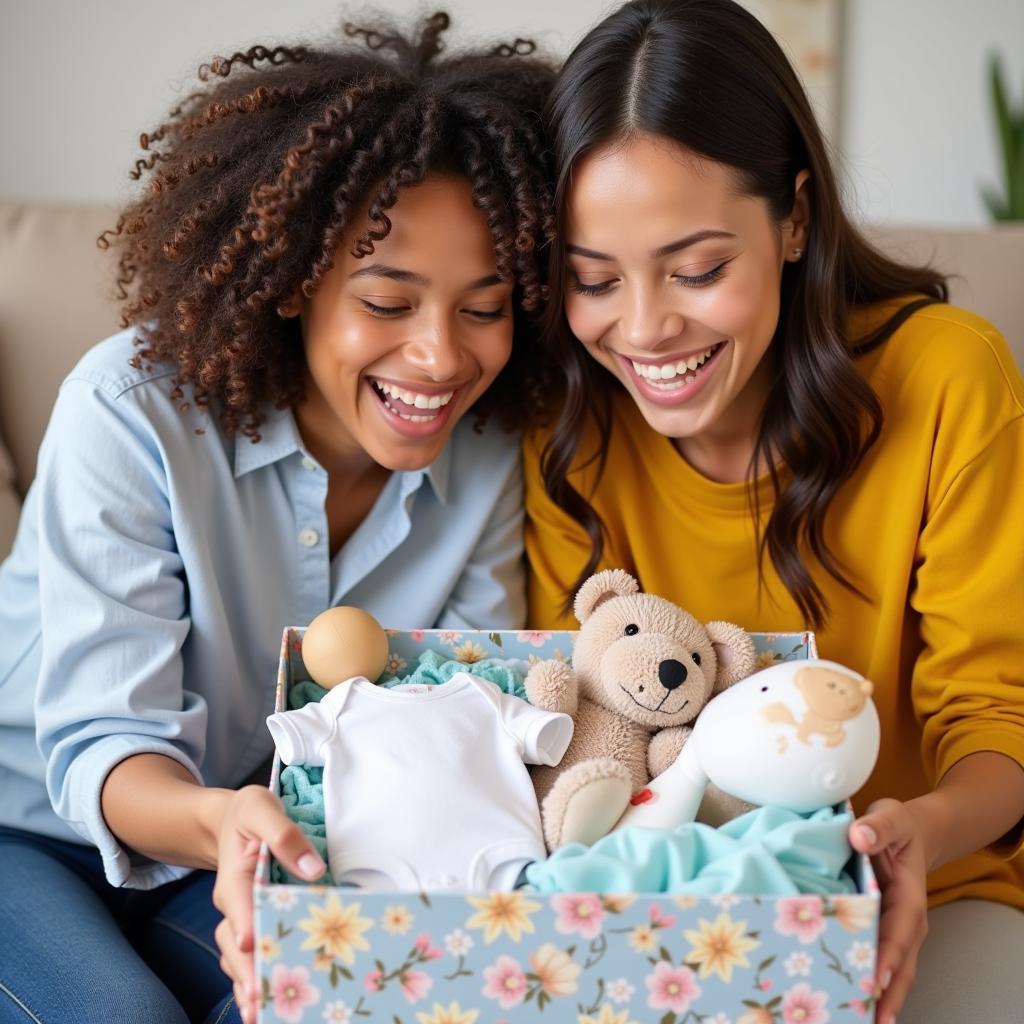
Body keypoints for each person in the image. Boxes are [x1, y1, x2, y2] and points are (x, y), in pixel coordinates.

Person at [0, 11, 555, 1023]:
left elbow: (452, 714)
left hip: (244, 843)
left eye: (484, 306)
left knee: (334, 999)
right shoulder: (130, 412)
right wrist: (231, 826)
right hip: (26, 829)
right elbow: (102, 748)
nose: (441, 357)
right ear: (295, 284)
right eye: (388, 302)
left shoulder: (484, 458)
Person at [523, 2, 1024, 1022]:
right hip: (656, 906)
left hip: (930, 883)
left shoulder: (946, 380)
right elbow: (572, 738)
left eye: (697, 268)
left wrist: (909, 834)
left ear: (794, 216)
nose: (645, 328)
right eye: (591, 280)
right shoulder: (566, 430)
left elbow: (999, 720)